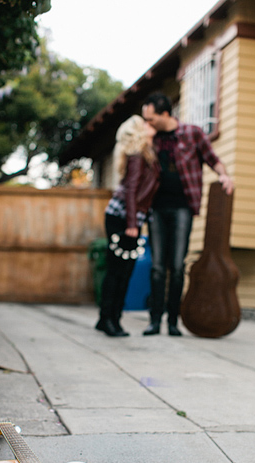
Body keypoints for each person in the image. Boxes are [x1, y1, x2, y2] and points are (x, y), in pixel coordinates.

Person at [140, 92, 234, 336]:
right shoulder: (150, 138)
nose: (147, 124)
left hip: (183, 207)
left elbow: (213, 159)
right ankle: (154, 321)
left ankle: (173, 321)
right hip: (157, 208)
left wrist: (223, 175)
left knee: (177, 266)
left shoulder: (192, 133)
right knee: (158, 266)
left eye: (150, 119)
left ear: (164, 114)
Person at [96, 115, 160, 337]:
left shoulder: (146, 154)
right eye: (146, 123)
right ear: (138, 130)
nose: (150, 124)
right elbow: (132, 190)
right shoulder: (136, 156)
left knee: (125, 270)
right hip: (122, 218)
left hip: (131, 218)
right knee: (118, 270)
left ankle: (109, 318)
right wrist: (132, 224)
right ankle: (108, 319)